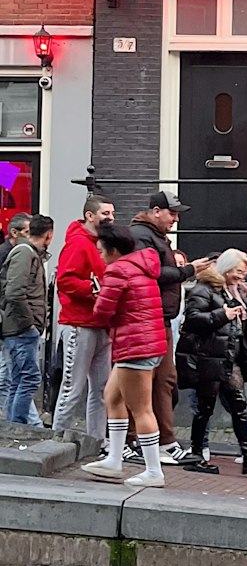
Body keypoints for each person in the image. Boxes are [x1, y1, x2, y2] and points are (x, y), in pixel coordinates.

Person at [80, 221, 168, 486]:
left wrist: (98, 295)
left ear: (113, 250)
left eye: (101, 251)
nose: (99, 256)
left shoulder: (117, 271)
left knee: (141, 409)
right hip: (146, 341)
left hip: (134, 346)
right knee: (111, 396)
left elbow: (103, 313)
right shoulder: (142, 266)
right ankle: (114, 459)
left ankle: (154, 471)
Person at [128, 192, 210, 462]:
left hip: (159, 317)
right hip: (148, 317)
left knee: (160, 381)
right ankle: (135, 441)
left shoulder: (154, 237)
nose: (176, 219)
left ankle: (158, 441)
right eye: (172, 213)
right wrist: (189, 270)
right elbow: (150, 273)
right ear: (155, 212)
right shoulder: (142, 236)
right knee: (149, 380)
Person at [176, 254, 247, 476]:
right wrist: (224, 314)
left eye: (244, 271)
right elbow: (193, 319)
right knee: (205, 409)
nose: (242, 275)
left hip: (228, 359)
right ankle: (198, 456)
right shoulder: (205, 288)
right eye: (238, 270)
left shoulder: (235, 291)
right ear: (226, 268)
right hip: (208, 358)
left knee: (238, 407)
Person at [51, 193, 116, 443]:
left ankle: (96, 441)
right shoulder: (78, 244)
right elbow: (65, 281)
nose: (110, 218)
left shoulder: (101, 243)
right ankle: (55, 440)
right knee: (73, 388)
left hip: (101, 323)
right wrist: (94, 291)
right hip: (79, 324)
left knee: (101, 390)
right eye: (105, 214)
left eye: (112, 213)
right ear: (90, 216)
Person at [0, 214, 54, 424]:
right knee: (29, 379)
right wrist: (29, 324)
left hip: (19, 328)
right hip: (22, 330)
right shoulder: (25, 253)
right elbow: (14, 293)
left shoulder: (26, 253)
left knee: (18, 380)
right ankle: (21, 427)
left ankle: (15, 427)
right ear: (49, 235)